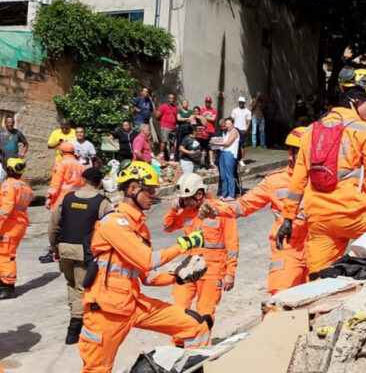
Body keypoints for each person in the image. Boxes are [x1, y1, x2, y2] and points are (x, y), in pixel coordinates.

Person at [78, 161, 211, 372]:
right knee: (97, 369)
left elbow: (147, 277)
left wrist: (178, 277)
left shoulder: (140, 228)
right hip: (106, 311)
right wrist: (185, 244)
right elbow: (147, 260)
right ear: (132, 189)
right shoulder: (114, 223)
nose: (153, 195)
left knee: (195, 325)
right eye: (149, 190)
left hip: (133, 303)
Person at [278, 69, 366, 275]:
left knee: (320, 278)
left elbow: (298, 179)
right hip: (354, 215)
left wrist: (288, 218)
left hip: (319, 221)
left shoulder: (311, 130)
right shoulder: (365, 131)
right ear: (356, 98)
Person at [201, 127, 309, 294]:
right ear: (291, 154)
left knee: (321, 305)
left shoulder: (325, 179)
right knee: (280, 301)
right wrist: (216, 209)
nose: (307, 158)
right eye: (302, 153)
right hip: (288, 250)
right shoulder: (274, 181)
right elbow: (243, 205)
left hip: (318, 247)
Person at [48, 167, 112, 344]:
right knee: (83, 288)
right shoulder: (102, 202)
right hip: (86, 252)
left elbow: (53, 225)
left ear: (83, 180)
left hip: (65, 248)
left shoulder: (67, 198)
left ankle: (75, 322)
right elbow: (111, 228)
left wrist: (54, 248)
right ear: (99, 183)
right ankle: (75, 328)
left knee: (72, 285)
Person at [163, 174, 238, 321]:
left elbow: (232, 244)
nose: (184, 202)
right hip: (190, 267)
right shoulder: (187, 212)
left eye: (186, 198)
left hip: (212, 270)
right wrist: (173, 210)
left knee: (205, 312)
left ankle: (201, 343)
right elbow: (167, 227)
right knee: (179, 308)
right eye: (182, 199)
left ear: (199, 194)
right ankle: (179, 343)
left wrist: (230, 273)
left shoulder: (221, 211)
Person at [0, 158, 32, 300]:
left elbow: (6, 208)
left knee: (6, 254)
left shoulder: (9, 184)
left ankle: (7, 286)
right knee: (8, 253)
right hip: (19, 224)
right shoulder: (25, 185)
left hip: (10, 225)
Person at [45, 142, 85, 209]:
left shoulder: (61, 164)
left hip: (63, 197)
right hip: (78, 197)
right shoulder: (80, 166)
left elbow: (56, 183)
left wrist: (49, 197)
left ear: (61, 151)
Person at [211, 118, 239, 200]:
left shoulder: (234, 132)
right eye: (226, 123)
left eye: (228, 123)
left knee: (229, 175)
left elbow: (227, 143)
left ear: (232, 124)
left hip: (229, 153)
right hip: (223, 153)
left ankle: (231, 194)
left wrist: (215, 143)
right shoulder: (226, 132)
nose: (227, 125)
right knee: (223, 175)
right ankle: (224, 193)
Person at [156, 94, 179, 162]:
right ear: (168, 99)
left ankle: (172, 157)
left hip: (173, 127)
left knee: (172, 143)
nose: (172, 99)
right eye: (170, 98)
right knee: (164, 141)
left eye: (173, 98)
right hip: (165, 127)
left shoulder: (176, 108)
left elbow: (176, 117)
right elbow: (157, 115)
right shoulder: (164, 106)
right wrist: (163, 122)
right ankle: (162, 155)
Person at [231, 97, 251, 167]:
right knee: (235, 146)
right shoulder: (234, 110)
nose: (241, 103)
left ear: (244, 103)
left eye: (242, 102)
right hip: (235, 130)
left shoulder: (247, 111)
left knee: (242, 146)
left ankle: (241, 160)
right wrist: (232, 129)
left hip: (243, 130)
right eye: (240, 102)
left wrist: (246, 129)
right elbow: (232, 120)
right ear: (238, 102)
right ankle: (235, 160)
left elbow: (248, 122)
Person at [201, 97, 218, 167]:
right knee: (204, 147)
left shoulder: (214, 110)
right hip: (204, 131)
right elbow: (200, 118)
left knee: (211, 146)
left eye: (209, 102)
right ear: (205, 102)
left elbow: (213, 119)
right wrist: (208, 117)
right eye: (206, 102)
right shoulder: (202, 110)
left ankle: (211, 162)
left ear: (211, 103)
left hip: (211, 130)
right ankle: (204, 162)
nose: (208, 103)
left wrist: (204, 117)